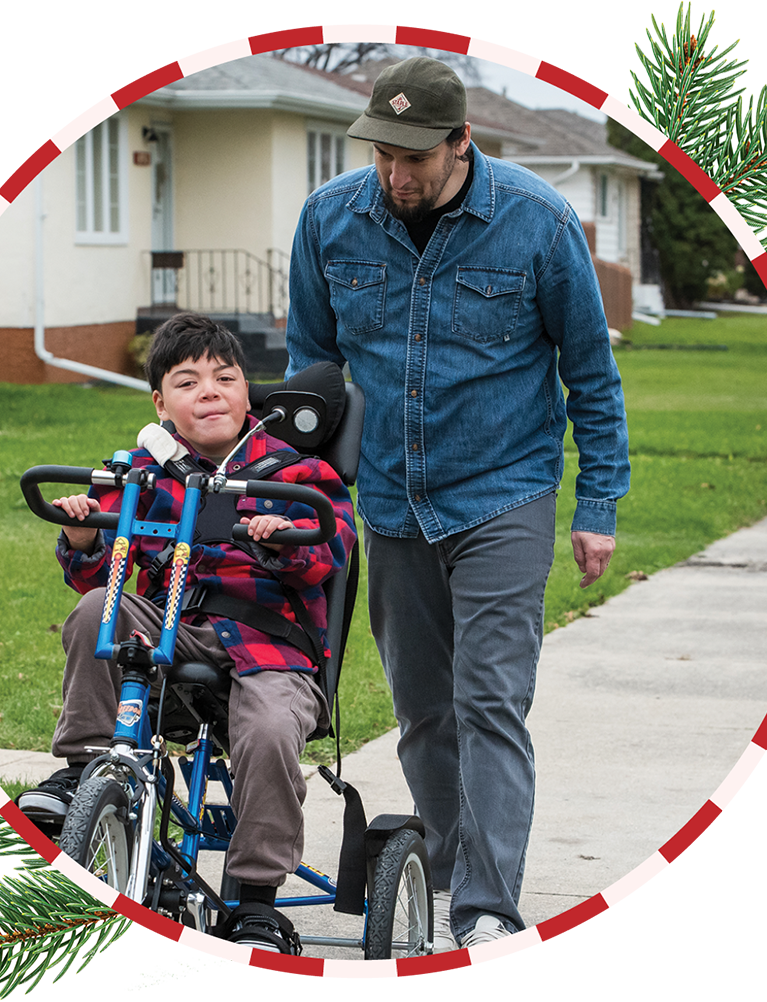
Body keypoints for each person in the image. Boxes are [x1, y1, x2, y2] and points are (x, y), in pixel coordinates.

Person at [285, 57, 630, 951]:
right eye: (382, 157)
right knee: (424, 714)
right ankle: (436, 879)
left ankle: (486, 910)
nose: (396, 176)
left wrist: (598, 502)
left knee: (488, 706)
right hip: (391, 502)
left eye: (414, 158)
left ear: (460, 142)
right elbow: (311, 374)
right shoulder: (329, 220)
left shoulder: (538, 223)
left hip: (503, 494)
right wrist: (300, 489)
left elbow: (590, 373)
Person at [17, 312, 357, 953]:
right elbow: (104, 569)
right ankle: (86, 770)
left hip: (271, 652)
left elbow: (328, 551)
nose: (210, 391)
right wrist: (84, 535)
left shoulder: (296, 474)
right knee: (97, 610)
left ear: (246, 391)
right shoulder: (146, 472)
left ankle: (257, 902)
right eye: (188, 381)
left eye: (226, 378)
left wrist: (283, 539)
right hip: (176, 630)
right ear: (161, 403)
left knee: (269, 726)